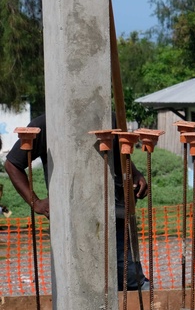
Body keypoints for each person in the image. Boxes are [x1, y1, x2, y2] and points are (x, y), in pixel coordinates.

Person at [4, 113, 149, 291]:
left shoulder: (107, 116)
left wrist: (134, 173)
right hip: (73, 222)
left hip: (115, 213)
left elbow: (119, 152)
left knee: (131, 281)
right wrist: (35, 202)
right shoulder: (47, 124)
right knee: (88, 287)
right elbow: (12, 164)